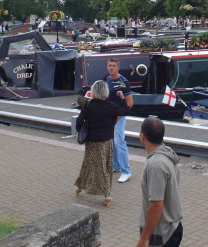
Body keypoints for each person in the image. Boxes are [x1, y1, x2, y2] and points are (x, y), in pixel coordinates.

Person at [74, 81, 129, 207]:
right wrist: (122, 97)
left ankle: (80, 186)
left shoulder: (88, 105)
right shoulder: (110, 106)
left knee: (88, 165)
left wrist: (80, 131)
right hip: (106, 141)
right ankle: (106, 194)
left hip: (91, 141)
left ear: (93, 91)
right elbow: (125, 111)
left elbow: (79, 120)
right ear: (105, 91)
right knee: (105, 167)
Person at [136, 117, 183, 247]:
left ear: (143, 136)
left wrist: (144, 238)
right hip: (173, 225)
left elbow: (157, 205)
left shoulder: (155, 165)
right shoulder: (167, 153)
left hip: (163, 233)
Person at [106, 58, 133, 183]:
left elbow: (129, 102)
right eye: (109, 65)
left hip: (119, 116)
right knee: (112, 142)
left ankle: (126, 171)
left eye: (113, 66)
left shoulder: (123, 82)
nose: (111, 68)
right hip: (109, 116)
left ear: (118, 68)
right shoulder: (108, 79)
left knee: (119, 142)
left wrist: (119, 116)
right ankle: (116, 165)